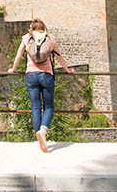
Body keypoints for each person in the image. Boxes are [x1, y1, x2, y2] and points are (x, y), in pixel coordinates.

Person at [8, 19, 73, 152]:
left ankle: (39, 137)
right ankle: (43, 131)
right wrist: (68, 70)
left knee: (35, 107)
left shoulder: (27, 38)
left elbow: (19, 55)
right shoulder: (50, 39)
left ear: (31, 29)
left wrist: (13, 69)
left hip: (31, 75)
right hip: (47, 75)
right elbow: (59, 56)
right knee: (48, 106)